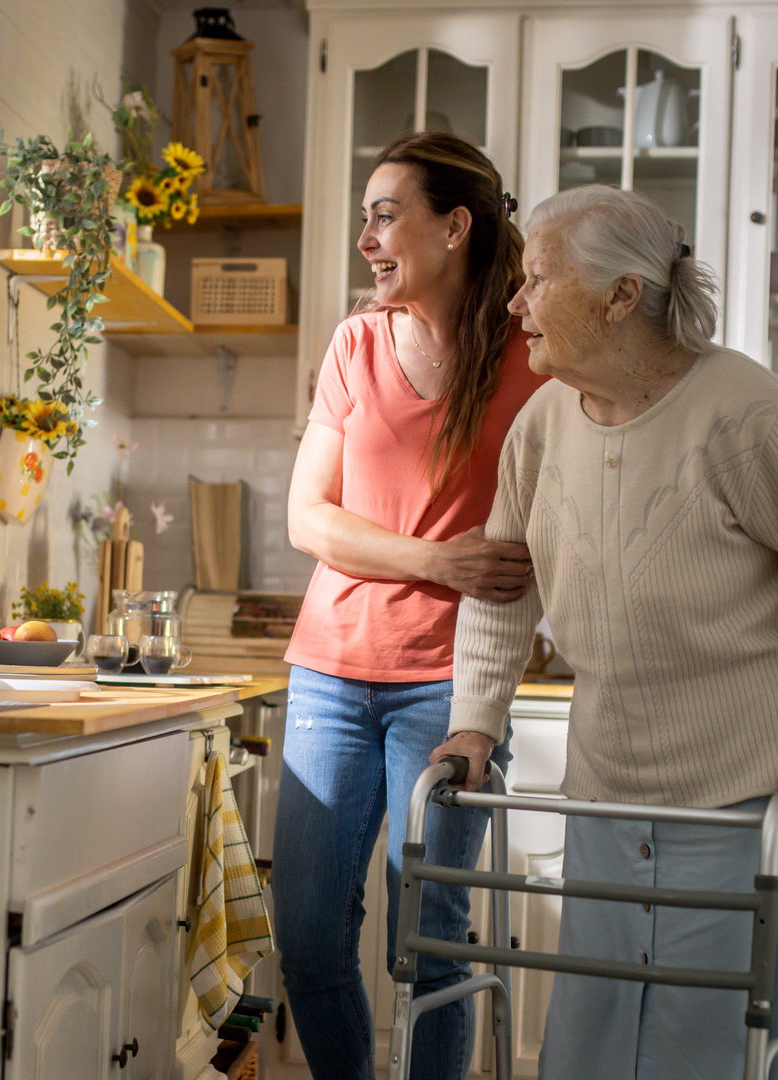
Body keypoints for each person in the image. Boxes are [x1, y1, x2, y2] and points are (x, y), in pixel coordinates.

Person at [437, 185, 778, 1080]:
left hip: (741, 795)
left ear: (621, 295)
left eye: (538, 279)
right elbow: (502, 590)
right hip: (608, 792)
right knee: (595, 1034)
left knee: (712, 1045)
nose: (515, 302)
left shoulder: (746, 414)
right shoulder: (539, 427)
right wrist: (473, 723)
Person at [276, 131, 550, 1080]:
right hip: (329, 673)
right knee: (308, 937)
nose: (366, 238)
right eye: (364, 215)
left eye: (385, 214)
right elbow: (309, 518)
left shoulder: (533, 353)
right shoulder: (355, 344)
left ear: (455, 226)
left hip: (452, 686)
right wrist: (441, 559)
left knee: (431, 937)